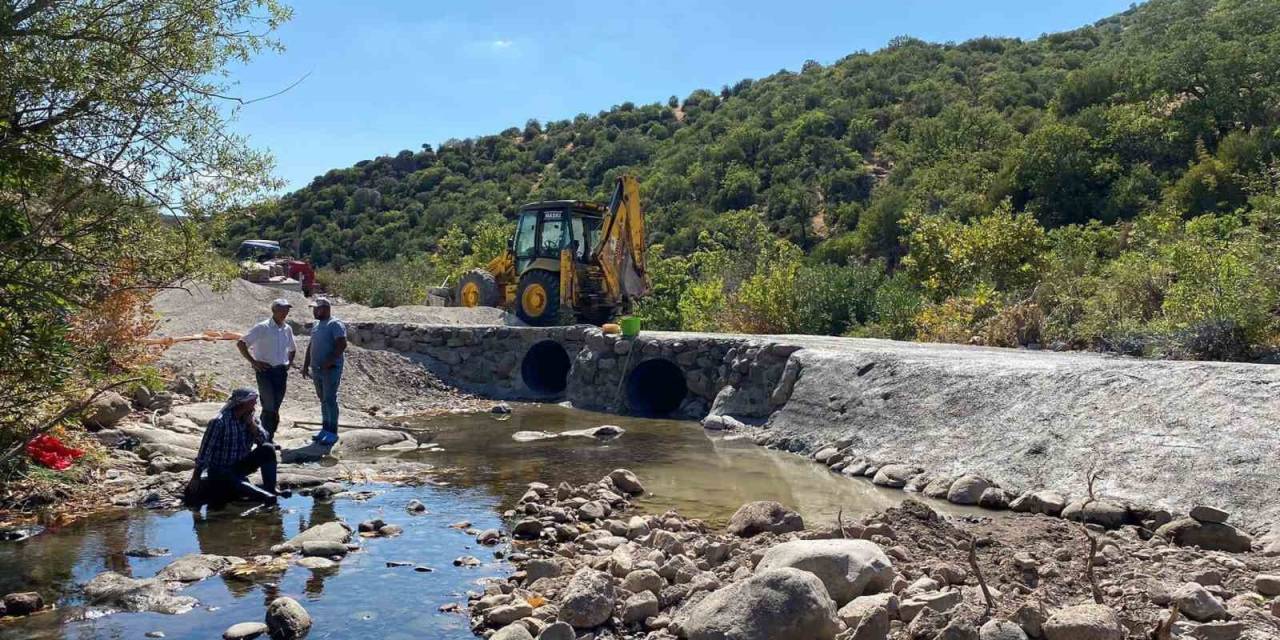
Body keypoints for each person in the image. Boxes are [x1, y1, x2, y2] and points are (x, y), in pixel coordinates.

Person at [187, 388, 284, 507]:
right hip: (220, 470)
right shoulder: (219, 422)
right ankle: (264, 496)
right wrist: (196, 477)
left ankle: (270, 489)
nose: (255, 403)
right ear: (243, 403)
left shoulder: (251, 418)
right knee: (230, 479)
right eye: (253, 401)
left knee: (268, 449)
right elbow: (204, 452)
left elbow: (264, 440)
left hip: (240, 466)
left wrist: (251, 426)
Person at [236, 298, 296, 440]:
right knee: (269, 405)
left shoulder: (287, 329)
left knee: (275, 406)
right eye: (282, 309)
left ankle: (267, 436)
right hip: (265, 372)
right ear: (274, 310)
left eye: (287, 309)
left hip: (281, 372)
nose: (285, 312)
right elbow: (241, 343)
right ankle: (264, 438)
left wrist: (289, 363)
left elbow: (293, 348)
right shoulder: (262, 327)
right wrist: (253, 362)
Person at [302, 297, 346, 446]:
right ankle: (325, 429)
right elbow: (311, 345)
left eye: (317, 308)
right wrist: (306, 364)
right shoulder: (316, 325)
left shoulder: (335, 324)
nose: (315, 311)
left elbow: (342, 344)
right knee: (323, 400)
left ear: (326, 309)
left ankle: (332, 432)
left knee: (330, 399)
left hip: (330, 369)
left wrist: (331, 361)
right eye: (314, 308)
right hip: (317, 368)